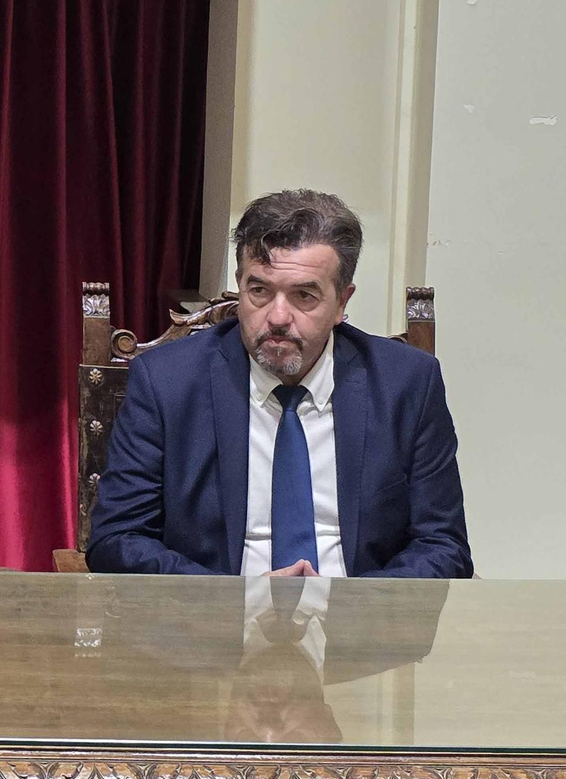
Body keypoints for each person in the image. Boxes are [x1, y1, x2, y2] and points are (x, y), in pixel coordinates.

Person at [87, 189, 472, 578]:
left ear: (341, 302)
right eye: (259, 291)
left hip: (360, 625)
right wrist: (240, 601)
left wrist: (348, 608)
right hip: (213, 626)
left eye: (304, 295)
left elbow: (443, 545)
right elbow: (117, 539)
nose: (277, 317)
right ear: (240, 286)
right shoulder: (166, 382)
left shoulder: (406, 383)